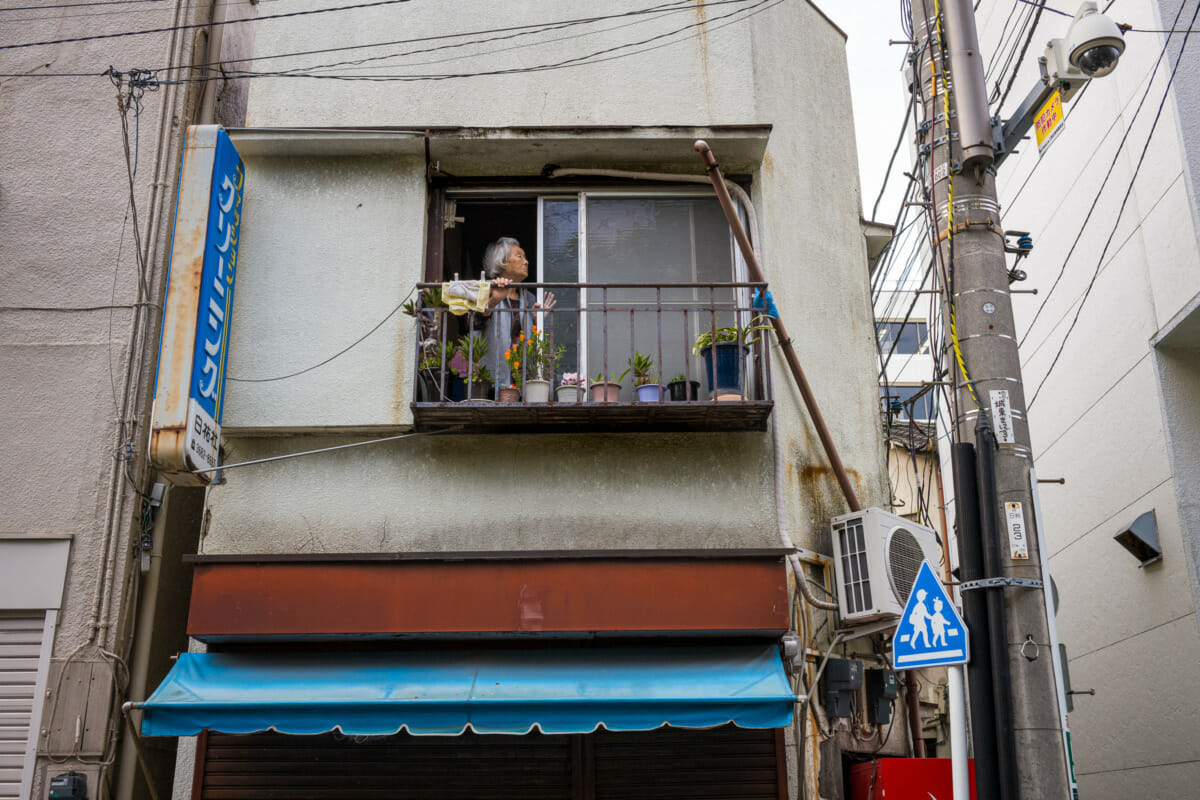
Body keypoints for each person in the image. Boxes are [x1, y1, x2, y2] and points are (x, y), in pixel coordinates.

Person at [470, 237, 555, 394]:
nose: (526, 262)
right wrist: (495, 299)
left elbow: (534, 344)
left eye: (525, 257)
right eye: (519, 256)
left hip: (523, 381)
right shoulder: (486, 290)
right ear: (502, 262)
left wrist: (538, 322)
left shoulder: (529, 299)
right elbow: (475, 323)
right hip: (492, 382)